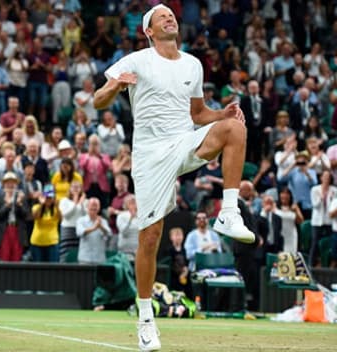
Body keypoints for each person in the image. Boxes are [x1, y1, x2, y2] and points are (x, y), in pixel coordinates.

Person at [93, 6, 255, 349]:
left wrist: (221, 114)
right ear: (148, 31)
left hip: (184, 141)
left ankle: (228, 212)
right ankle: (146, 318)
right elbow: (97, 101)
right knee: (150, 238)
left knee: (234, 128)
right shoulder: (134, 61)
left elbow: (197, 114)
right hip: (150, 155)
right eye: (161, 16)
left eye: (172, 15)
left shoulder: (192, 64)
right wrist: (116, 87)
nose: (170, 18)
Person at [0, 172, 28, 262]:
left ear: (16, 184)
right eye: (7, 182)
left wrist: (19, 204)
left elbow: (26, 215)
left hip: (17, 229)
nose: (10, 185)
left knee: (17, 257)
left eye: (12, 182)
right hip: (4, 230)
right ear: (4, 184)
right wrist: (7, 206)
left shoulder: (21, 196)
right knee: (4, 257)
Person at [30, 184, 61, 262]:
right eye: (47, 197)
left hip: (52, 242)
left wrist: (57, 206)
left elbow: (61, 219)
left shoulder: (56, 209)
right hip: (37, 242)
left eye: (50, 198)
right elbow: (35, 217)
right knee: (38, 269)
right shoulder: (36, 207)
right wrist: (41, 204)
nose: (48, 200)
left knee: (52, 269)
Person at [76, 198, 111, 264]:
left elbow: (109, 234)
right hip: (84, 258)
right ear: (87, 206)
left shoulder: (103, 221)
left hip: (99, 258)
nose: (94, 207)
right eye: (92, 205)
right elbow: (80, 232)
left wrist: (101, 226)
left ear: (99, 207)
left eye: (96, 206)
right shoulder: (81, 220)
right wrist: (94, 228)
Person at [58, 180, 87, 262]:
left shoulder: (85, 201)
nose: (75, 189)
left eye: (78, 187)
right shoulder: (64, 201)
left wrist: (81, 204)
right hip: (68, 230)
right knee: (66, 253)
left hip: (80, 230)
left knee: (78, 253)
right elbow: (66, 215)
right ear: (70, 189)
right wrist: (75, 203)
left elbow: (86, 216)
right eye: (73, 187)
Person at [116, 195, 140, 261]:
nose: (133, 204)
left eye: (134, 202)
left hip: (139, 252)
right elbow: (124, 232)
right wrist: (131, 218)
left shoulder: (141, 216)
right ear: (125, 204)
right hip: (125, 253)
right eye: (130, 202)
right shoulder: (121, 216)